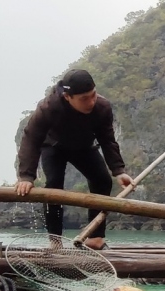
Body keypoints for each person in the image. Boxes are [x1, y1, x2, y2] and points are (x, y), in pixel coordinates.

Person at [14, 69, 133, 250]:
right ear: (67, 97)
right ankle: (55, 241)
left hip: (83, 147)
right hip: (53, 147)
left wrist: (119, 170)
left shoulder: (102, 107)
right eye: (84, 99)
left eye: (93, 95)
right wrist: (26, 176)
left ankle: (95, 238)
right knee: (53, 186)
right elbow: (31, 138)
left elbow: (107, 140)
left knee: (102, 180)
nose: (91, 102)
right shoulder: (49, 108)